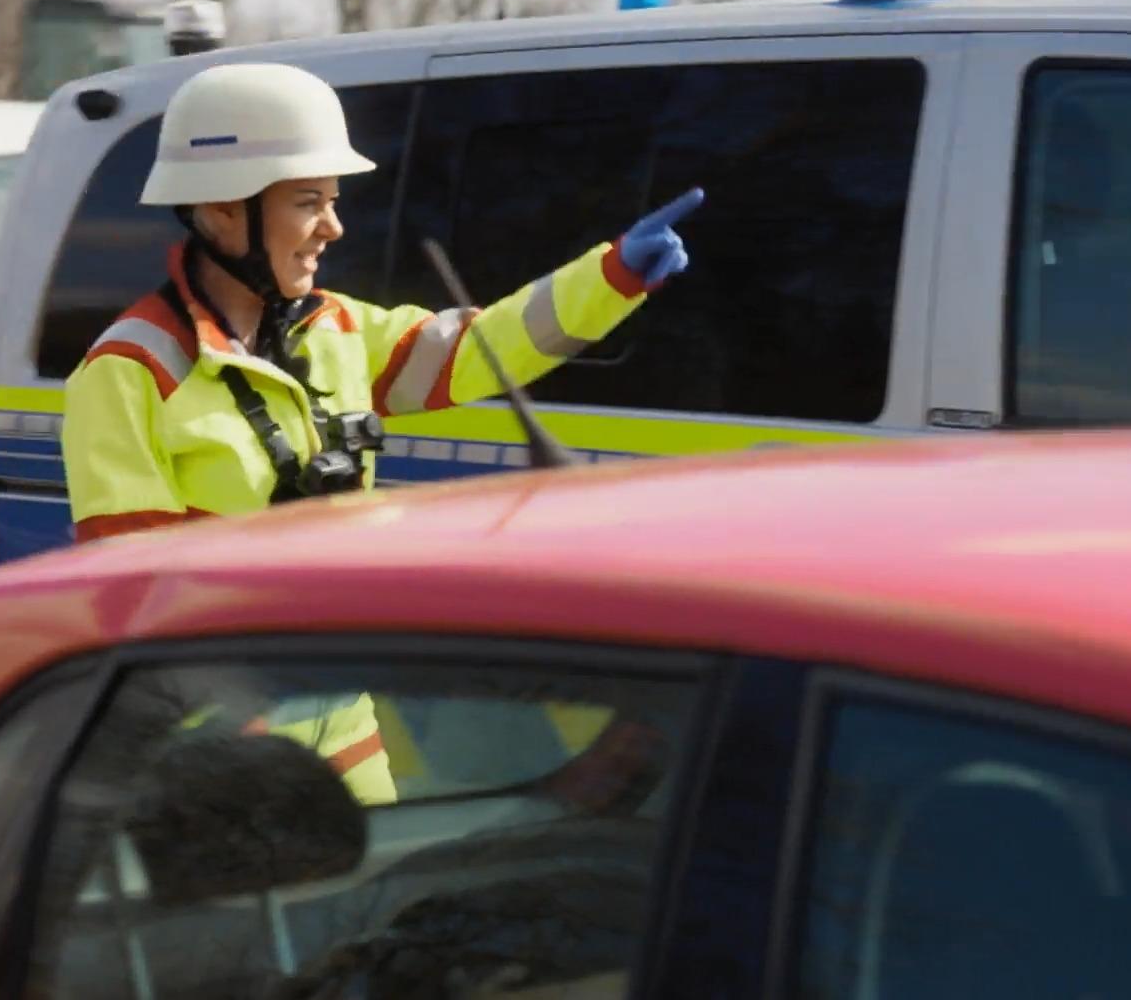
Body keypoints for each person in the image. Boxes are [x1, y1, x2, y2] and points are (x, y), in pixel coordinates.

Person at [59, 62, 703, 803]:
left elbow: (479, 347)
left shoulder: (336, 328)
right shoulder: (129, 372)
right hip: (222, 759)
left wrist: (612, 276)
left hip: (346, 735)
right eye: (309, 203)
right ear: (222, 208)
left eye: (332, 202)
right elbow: (135, 597)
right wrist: (237, 734)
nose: (333, 228)